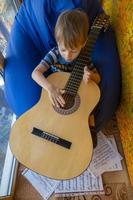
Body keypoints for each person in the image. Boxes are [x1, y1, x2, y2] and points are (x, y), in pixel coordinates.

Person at [32, 9, 101, 148]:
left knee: (89, 102)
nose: (68, 55)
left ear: (83, 43)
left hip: (77, 90)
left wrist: (90, 76)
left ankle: (90, 123)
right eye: (63, 49)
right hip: (57, 90)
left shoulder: (84, 59)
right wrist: (50, 88)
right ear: (57, 42)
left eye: (74, 50)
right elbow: (35, 73)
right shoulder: (55, 54)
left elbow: (98, 79)